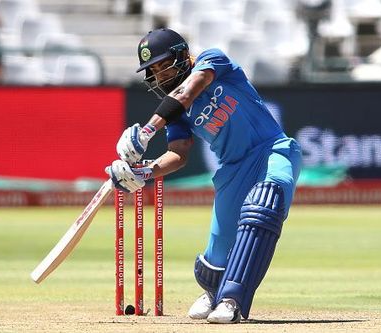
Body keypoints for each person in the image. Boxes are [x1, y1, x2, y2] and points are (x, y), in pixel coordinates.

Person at [105, 28, 302, 323]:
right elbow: (178, 154)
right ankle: (214, 291)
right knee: (215, 260)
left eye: (163, 65)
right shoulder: (177, 115)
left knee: (263, 206)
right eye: (153, 71)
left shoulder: (212, 61)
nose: (159, 75)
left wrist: (147, 131)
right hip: (232, 169)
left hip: (272, 150)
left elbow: (190, 90)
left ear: (182, 55)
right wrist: (142, 172)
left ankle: (232, 299)